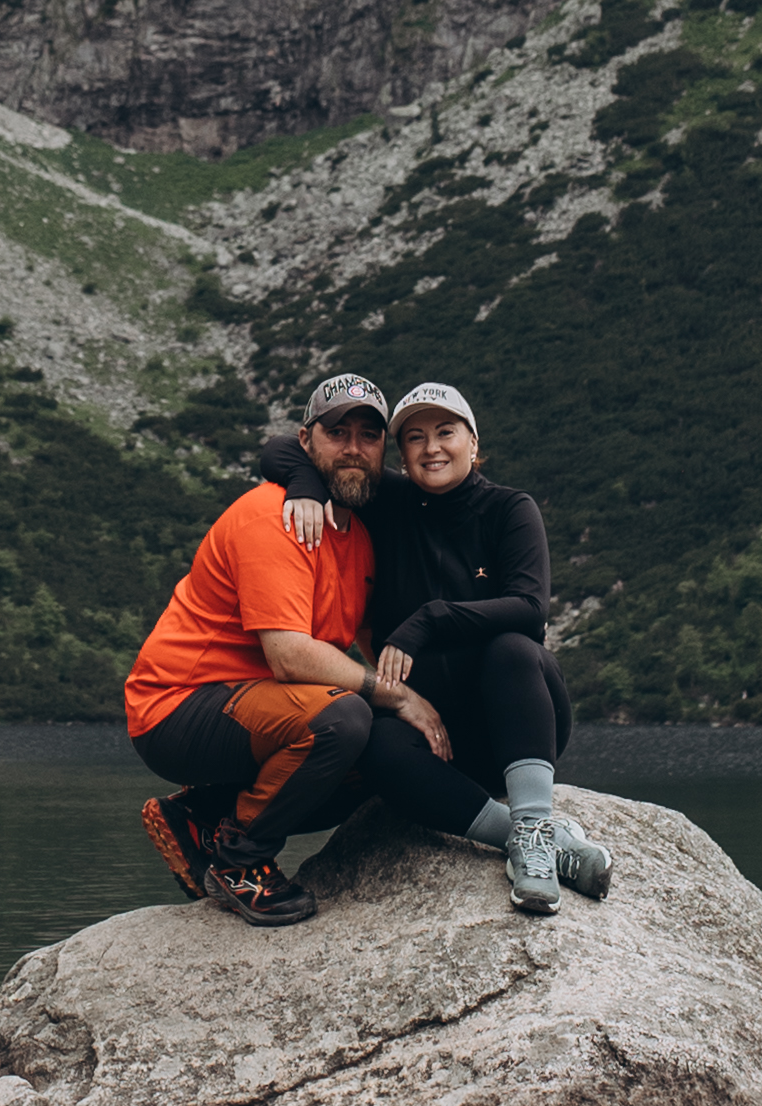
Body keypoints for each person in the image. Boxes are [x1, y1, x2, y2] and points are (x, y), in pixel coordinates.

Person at [123, 370, 457, 928]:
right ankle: (240, 861)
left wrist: (430, 711)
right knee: (345, 719)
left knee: (387, 754)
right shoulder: (272, 516)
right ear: (306, 442)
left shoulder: (360, 535)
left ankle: (203, 817)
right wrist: (395, 696)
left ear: (383, 451)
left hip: (263, 703)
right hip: (176, 705)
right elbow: (291, 656)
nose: (353, 448)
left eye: (368, 436)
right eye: (337, 432)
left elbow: (368, 639)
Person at [272, 376, 611, 919]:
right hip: (439, 747)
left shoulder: (509, 510)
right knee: (375, 741)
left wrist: (428, 619)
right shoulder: (389, 503)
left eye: (446, 432)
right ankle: (530, 838)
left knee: (512, 648)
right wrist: (304, 485)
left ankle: (531, 819)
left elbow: (530, 608)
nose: (432, 448)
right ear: (401, 455)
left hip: (518, 724)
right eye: (415, 437)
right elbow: (286, 448)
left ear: (473, 445)